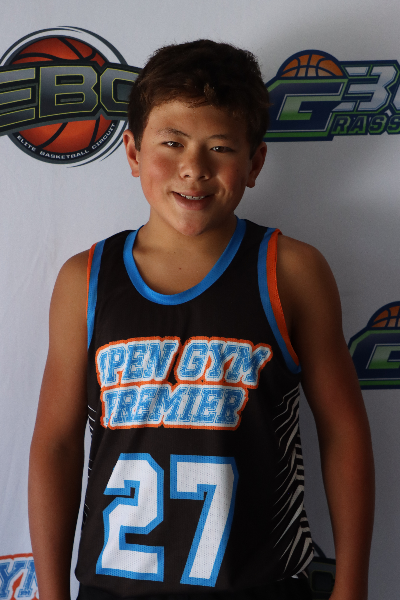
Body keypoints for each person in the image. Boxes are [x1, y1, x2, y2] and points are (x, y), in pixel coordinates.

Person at [28, 40, 374, 600]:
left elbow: (343, 432)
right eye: (172, 143)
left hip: (261, 586)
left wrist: (351, 585)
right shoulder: (84, 280)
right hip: (113, 590)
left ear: (254, 163)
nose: (194, 168)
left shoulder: (290, 272)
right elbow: (57, 446)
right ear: (133, 152)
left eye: (220, 147)